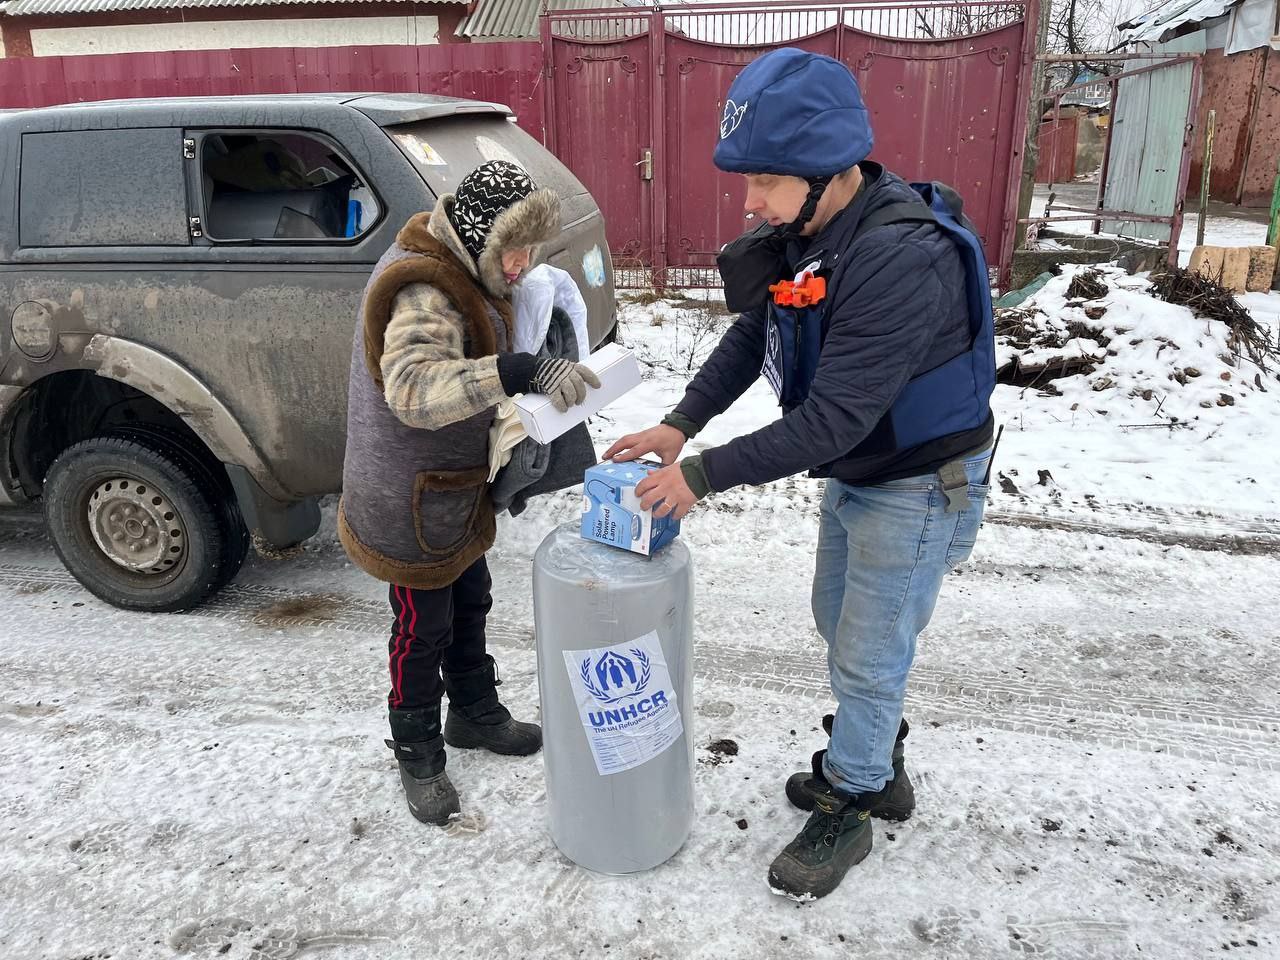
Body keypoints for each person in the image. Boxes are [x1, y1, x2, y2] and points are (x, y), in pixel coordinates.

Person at [604, 48, 996, 900]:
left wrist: (701, 476)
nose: (750, 202)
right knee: (840, 621)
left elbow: (833, 418)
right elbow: (757, 335)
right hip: (867, 467)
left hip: (921, 479)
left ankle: (853, 800)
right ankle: (875, 755)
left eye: (768, 182)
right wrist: (679, 425)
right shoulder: (810, 232)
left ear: (829, 172)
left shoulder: (899, 257)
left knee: (867, 648)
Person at [339, 160, 601, 825]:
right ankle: (417, 747)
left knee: (471, 598)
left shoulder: (472, 267)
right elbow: (412, 391)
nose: (520, 265)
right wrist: (514, 371)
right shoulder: (423, 291)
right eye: (511, 250)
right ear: (478, 235)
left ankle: (474, 713)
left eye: (531, 252)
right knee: (420, 627)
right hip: (408, 498)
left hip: (452, 490)